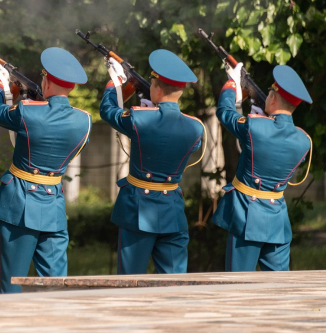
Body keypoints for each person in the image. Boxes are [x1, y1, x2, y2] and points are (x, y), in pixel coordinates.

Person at [0, 47, 91, 294]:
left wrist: (0, 85)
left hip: (20, 204)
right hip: (54, 206)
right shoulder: (84, 120)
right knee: (55, 287)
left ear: (46, 81)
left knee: (12, 284)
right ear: (72, 87)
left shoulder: (27, 111)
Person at [100, 49, 204, 274]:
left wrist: (114, 83)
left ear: (156, 89)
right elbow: (190, 145)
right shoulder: (195, 127)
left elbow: (108, 111)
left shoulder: (140, 118)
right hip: (173, 211)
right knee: (174, 283)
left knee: (130, 281)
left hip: (138, 209)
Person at [212, 64, 312, 271]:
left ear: (273, 99)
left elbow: (225, 112)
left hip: (247, 216)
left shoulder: (254, 127)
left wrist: (231, 85)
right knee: (279, 285)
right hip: (277, 220)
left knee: (238, 283)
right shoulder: (304, 141)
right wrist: (265, 120)